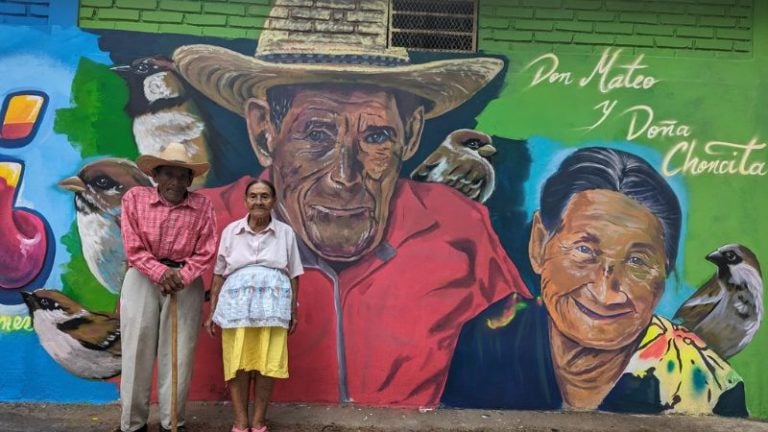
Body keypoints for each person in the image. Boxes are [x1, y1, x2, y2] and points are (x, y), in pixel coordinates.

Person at [171, 0, 530, 407]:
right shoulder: (201, 223)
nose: (345, 177)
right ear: (263, 132)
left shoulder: (458, 223)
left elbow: (515, 339)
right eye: (317, 134)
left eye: (376, 137)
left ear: (410, 133)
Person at [443, 147, 747, 416]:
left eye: (637, 262)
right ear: (539, 244)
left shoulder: (706, 387)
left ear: (664, 273)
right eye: (584, 250)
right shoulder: (490, 337)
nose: (606, 292)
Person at [118, 142, 217, 432]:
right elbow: (132, 247)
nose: (175, 181)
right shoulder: (135, 199)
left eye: (182, 175)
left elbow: (207, 250)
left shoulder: (203, 206)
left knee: (179, 353)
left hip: (185, 282)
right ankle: (133, 423)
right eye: (168, 174)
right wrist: (160, 272)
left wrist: (182, 276)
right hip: (142, 278)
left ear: (190, 180)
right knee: (137, 348)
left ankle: (172, 421)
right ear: (156, 176)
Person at [204, 179, 303, 432]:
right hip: (236, 308)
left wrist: (293, 310)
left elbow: (294, 274)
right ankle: (240, 421)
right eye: (254, 196)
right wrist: (212, 311)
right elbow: (219, 273)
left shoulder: (285, 233)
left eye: (265, 196)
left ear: (273, 201)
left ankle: (258, 420)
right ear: (246, 200)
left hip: (273, 308)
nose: (259, 201)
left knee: (266, 363)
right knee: (236, 362)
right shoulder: (231, 232)